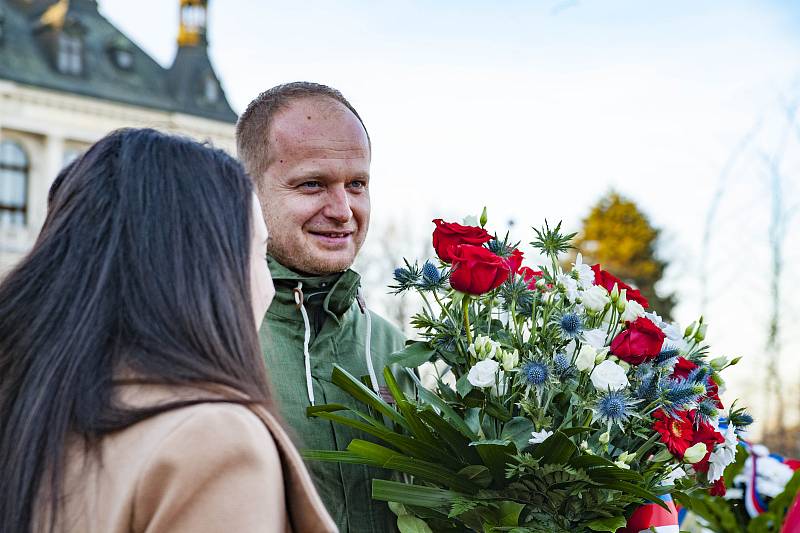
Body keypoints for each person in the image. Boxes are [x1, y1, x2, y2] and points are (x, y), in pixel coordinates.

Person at [0, 128, 337, 533]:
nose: (267, 283)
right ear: (206, 269)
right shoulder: (211, 440)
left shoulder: (32, 407)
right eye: (258, 252)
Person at [236, 82, 406, 532]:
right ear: (250, 192)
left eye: (357, 184)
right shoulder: (211, 337)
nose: (343, 209)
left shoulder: (394, 347)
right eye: (312, 184)